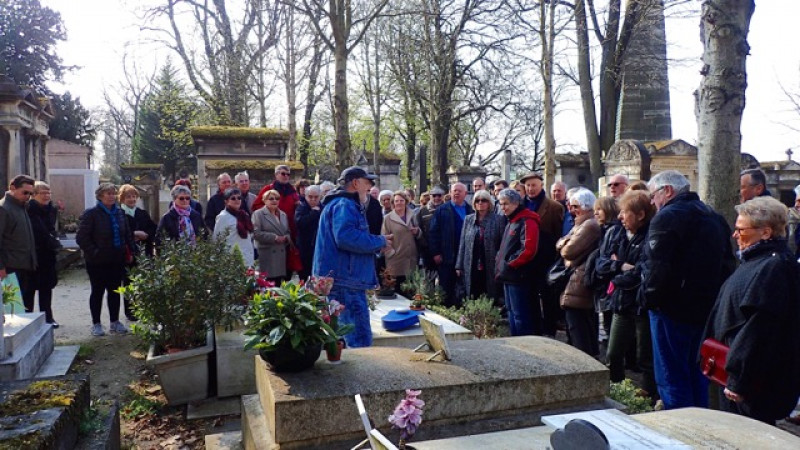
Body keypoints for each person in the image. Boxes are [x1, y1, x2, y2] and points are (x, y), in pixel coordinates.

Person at [640, 170, 734, 410]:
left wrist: (648, 300)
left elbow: (656, 268)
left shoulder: (668, 217)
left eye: (653, 195)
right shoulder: (714, 217)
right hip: (704, 309)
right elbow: (727, 265)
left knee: (672, 377)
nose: (652, 202)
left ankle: (679, 435)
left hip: (671, 308)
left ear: (668, 191)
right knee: (697, 375)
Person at [703, 196, 800, 425]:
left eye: (741, 230)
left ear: (766, 233)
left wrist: (738, 379)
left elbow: (759, 330)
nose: (735, 236)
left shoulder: (774, 267)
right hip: (733, 372)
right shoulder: (756, 259)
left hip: (753, 383)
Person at [313, 166, 392, 348]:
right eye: (367, 182)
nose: (370, 187)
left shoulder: (341, 203)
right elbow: (345, 237)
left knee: (342, 340)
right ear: (355, 183)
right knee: (359, 341)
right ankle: (360, 377)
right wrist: (378, 241)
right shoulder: (344, 204)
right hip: (346, 282)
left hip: (342, 279)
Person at [597, 190, 656, 398]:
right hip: (620, 302)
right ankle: (617, 391)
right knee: (613, 353)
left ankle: (649, 396)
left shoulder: (651, 235)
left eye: (625, 212)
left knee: (645, 356)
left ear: (640, 215)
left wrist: (617, 270)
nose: (620, 217)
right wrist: (620, 265)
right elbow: (601, 265)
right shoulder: (616, 233)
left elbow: (642, 272)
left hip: (640, 304)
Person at [76, 183, 135, 337]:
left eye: (113, 193)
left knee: (115, 291)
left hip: (117, 259)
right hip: (97, 261)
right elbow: (82, 238)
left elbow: (127, 235)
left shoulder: (120, 213)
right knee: (97, 292)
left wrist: (131, 251)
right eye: (107, 193)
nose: (111, 196)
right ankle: (96, 324)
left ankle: (115, 322)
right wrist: (95, 252)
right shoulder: (91, 214)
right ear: (100, 196)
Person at [556, 189, 601, 356]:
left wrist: (564, 244)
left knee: (579, 328)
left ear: (585, 207)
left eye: (575, 206)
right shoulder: (580, 224)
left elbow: (568, 251)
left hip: (579, 282)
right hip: (576, 279)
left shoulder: (589, 225)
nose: (570, 209)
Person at [520, 172, 565, 338]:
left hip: (545, 260)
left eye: (534, 185)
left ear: (541, 185)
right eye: (528, 185)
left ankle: (549, 330)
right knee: (529, 295)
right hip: (525, 260)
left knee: (547, 297)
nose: (531, 189)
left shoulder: (554, 207)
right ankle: (534, 328)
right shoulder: (520, 205)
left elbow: (557, 234)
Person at [496, 188, 540, 335]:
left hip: (518, 275)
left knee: (520, 315)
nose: (503, 207)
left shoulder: (527, 220)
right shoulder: (511, 221)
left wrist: (510, 264)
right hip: (508, 275)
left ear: (516, 204)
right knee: (511, 313)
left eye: (506, 204)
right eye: (501, 204)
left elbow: (528, 249)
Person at [455, 190, 505, 303]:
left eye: (484, 200)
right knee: (472, 292)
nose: (480, 203)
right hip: (471, 263)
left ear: (489, 203)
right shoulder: (468, 219)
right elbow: (462, 243)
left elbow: (502, 245)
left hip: (490, 264)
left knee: (489, 293)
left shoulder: (498, 220)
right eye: (477, 200)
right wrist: (459, 265)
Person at [429, 183, 474, 307]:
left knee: (464, 287)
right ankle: (446, 311)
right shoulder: (442, 210)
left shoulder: (470, 210)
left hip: (465, 255)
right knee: (446, 287)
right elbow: (433, 232)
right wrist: (436, 253)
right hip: (447, 254)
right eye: (454, 191)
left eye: (460, 191)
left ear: (465, 194)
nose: (456, 193)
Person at [118, 184, 157, 321]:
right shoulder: (119, 214)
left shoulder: (142, 213)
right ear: (122, 198)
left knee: (144, 282)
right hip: (127, 254)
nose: (132, 199)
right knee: (129, 283)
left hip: (143, 253)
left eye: (134, 196)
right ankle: (131, 311)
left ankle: (144, 309)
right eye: (128, 196)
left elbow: (153, 229)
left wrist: (146, 235)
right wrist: (133, 233)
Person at [25, 181, 60, 326]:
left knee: (46, 288)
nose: (46, 196)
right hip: (32, 254)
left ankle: (48, 317)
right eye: (43, 193)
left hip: (47, 254)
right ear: (34, 195)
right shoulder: (28, 209)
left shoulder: (51, 210)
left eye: (48, 193)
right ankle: (28, 319)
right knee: (29, 289)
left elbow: (51, 229)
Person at [0, 175, 37, 308]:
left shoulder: (21, 207)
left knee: (26, 307)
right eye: (25, 192)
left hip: (26, 265)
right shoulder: (4, 209)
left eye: (30, 194)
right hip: (11, 268)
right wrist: (1, 267)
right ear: (13, 188)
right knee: (14, 309)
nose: (27, 196)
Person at [590, 196, 623, 342]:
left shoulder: (613, 230)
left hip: (609, 282)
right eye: (594, 210)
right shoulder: (604, 229)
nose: (596, 213)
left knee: (610, 320)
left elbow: (607, 258)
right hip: (605, 281)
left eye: (599, 209)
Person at [381, 190, 420, 295]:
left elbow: (420, 232)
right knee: (397, 291)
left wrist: (417, 232)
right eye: (396, 201)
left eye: (401, 201)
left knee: (411, 291)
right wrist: (391, 253)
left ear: (406, 202)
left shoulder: (413, 215)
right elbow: (384, 239)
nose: (399, 203)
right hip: (396, 260)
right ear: (393, 203)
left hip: (411, 258)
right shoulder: (387, 218)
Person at [253, 190, 292, 283]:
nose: (275, 201)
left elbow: (288, 231)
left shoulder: (283, 214)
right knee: (267, 287)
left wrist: (286, 238)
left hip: (280, 256)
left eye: (277, 198)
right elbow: (256, 233)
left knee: (278, 286)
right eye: (271, 199)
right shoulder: (258, 214)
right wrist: (274, 237)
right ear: (264, 200)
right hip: (267, 255)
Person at [252, 165, 301, 238]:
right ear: (276, 175)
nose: (286, 176)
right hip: (272, 227)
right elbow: (255, 206)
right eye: (283, 174)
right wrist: (271, 211)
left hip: (289, 229)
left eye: (288, 174)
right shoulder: (268, 189)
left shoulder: (292, 191)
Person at [213, 188, 255, 268]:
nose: (237, 200)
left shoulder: (244, 215)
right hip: (232, 259)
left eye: (239, 198)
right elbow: (217, 240)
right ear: (226, 201)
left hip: (248, 258)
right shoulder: (223, 217)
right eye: (233, 198)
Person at [295, 185, 323, 281]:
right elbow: (300, 223)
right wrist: (313, 213)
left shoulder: (323, 207)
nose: (313, 199)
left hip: (319, 244)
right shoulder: (301, 207)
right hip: (305, 246)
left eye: (316, 197)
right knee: (306, 275)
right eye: (310, 197)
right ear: (305, 196)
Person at [415, 186, 445, 271]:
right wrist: (425, 245)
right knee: (429, 279)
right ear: (430, 196)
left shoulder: (448, 209)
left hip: (444, 249)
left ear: (442, 196)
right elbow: (419, 229)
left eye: (439, 195)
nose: (437, 198)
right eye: (434, 195)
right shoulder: (422, 211)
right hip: (427, 250)